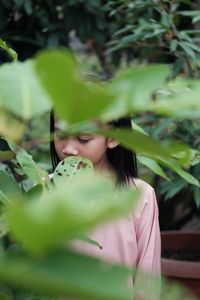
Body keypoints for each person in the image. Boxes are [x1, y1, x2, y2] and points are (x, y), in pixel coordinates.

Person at [50, 111, 161, 299]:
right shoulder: (44, 190)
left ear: (113, 138)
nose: (68, 149)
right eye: (60, 135)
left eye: (83, 138)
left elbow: (146, 283)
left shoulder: (140, 197)